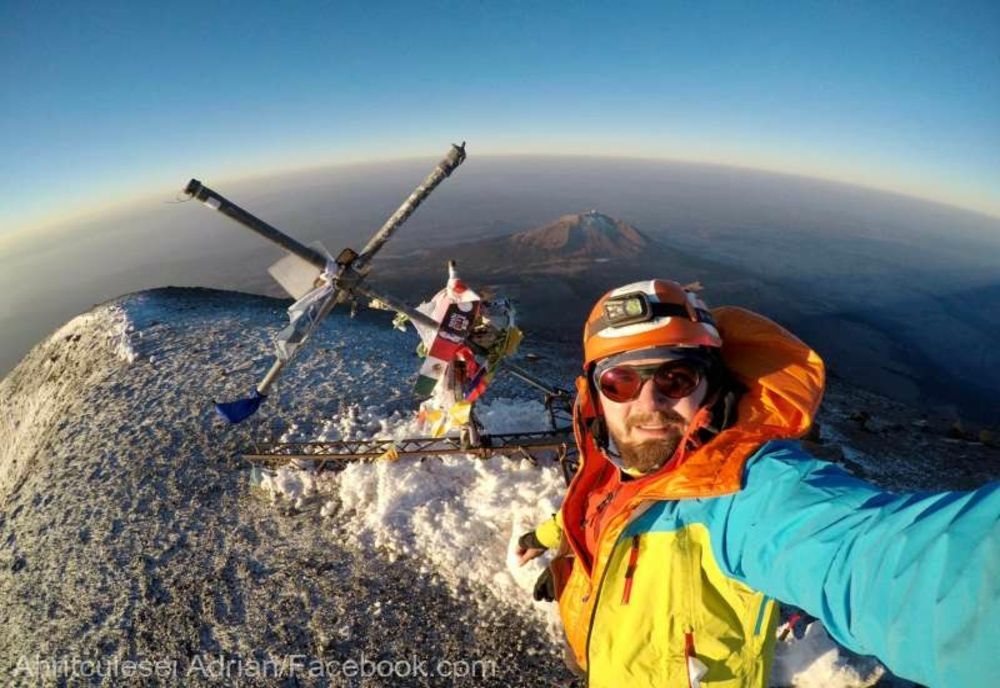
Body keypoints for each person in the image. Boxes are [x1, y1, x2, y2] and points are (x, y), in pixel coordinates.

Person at [515, 279, 998, 688]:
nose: (649, 404)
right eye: (620, 382)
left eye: (676, 379)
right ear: (595, 396)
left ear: (713, 386)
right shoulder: (615, 459)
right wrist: (557, 545)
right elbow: (607, 505)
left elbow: (878, 563)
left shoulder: (742, 491)